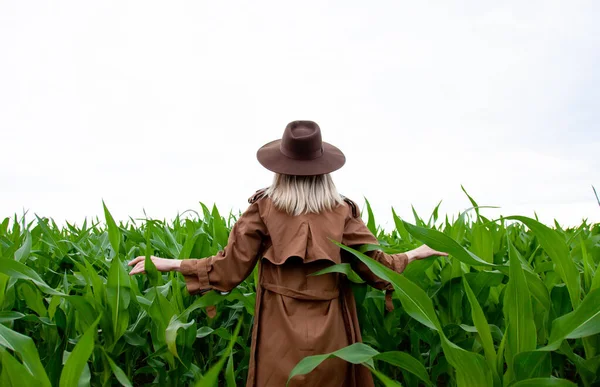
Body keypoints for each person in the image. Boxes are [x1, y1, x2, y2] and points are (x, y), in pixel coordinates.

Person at [128, 120, 448, 387]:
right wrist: (415, 253)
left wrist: (169, 263)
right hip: (333, 343)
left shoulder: (263, 210)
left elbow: (227, 270)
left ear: (280, 167)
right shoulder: (343, 213)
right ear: (325, 170)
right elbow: (380, 271)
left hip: (276, 343)